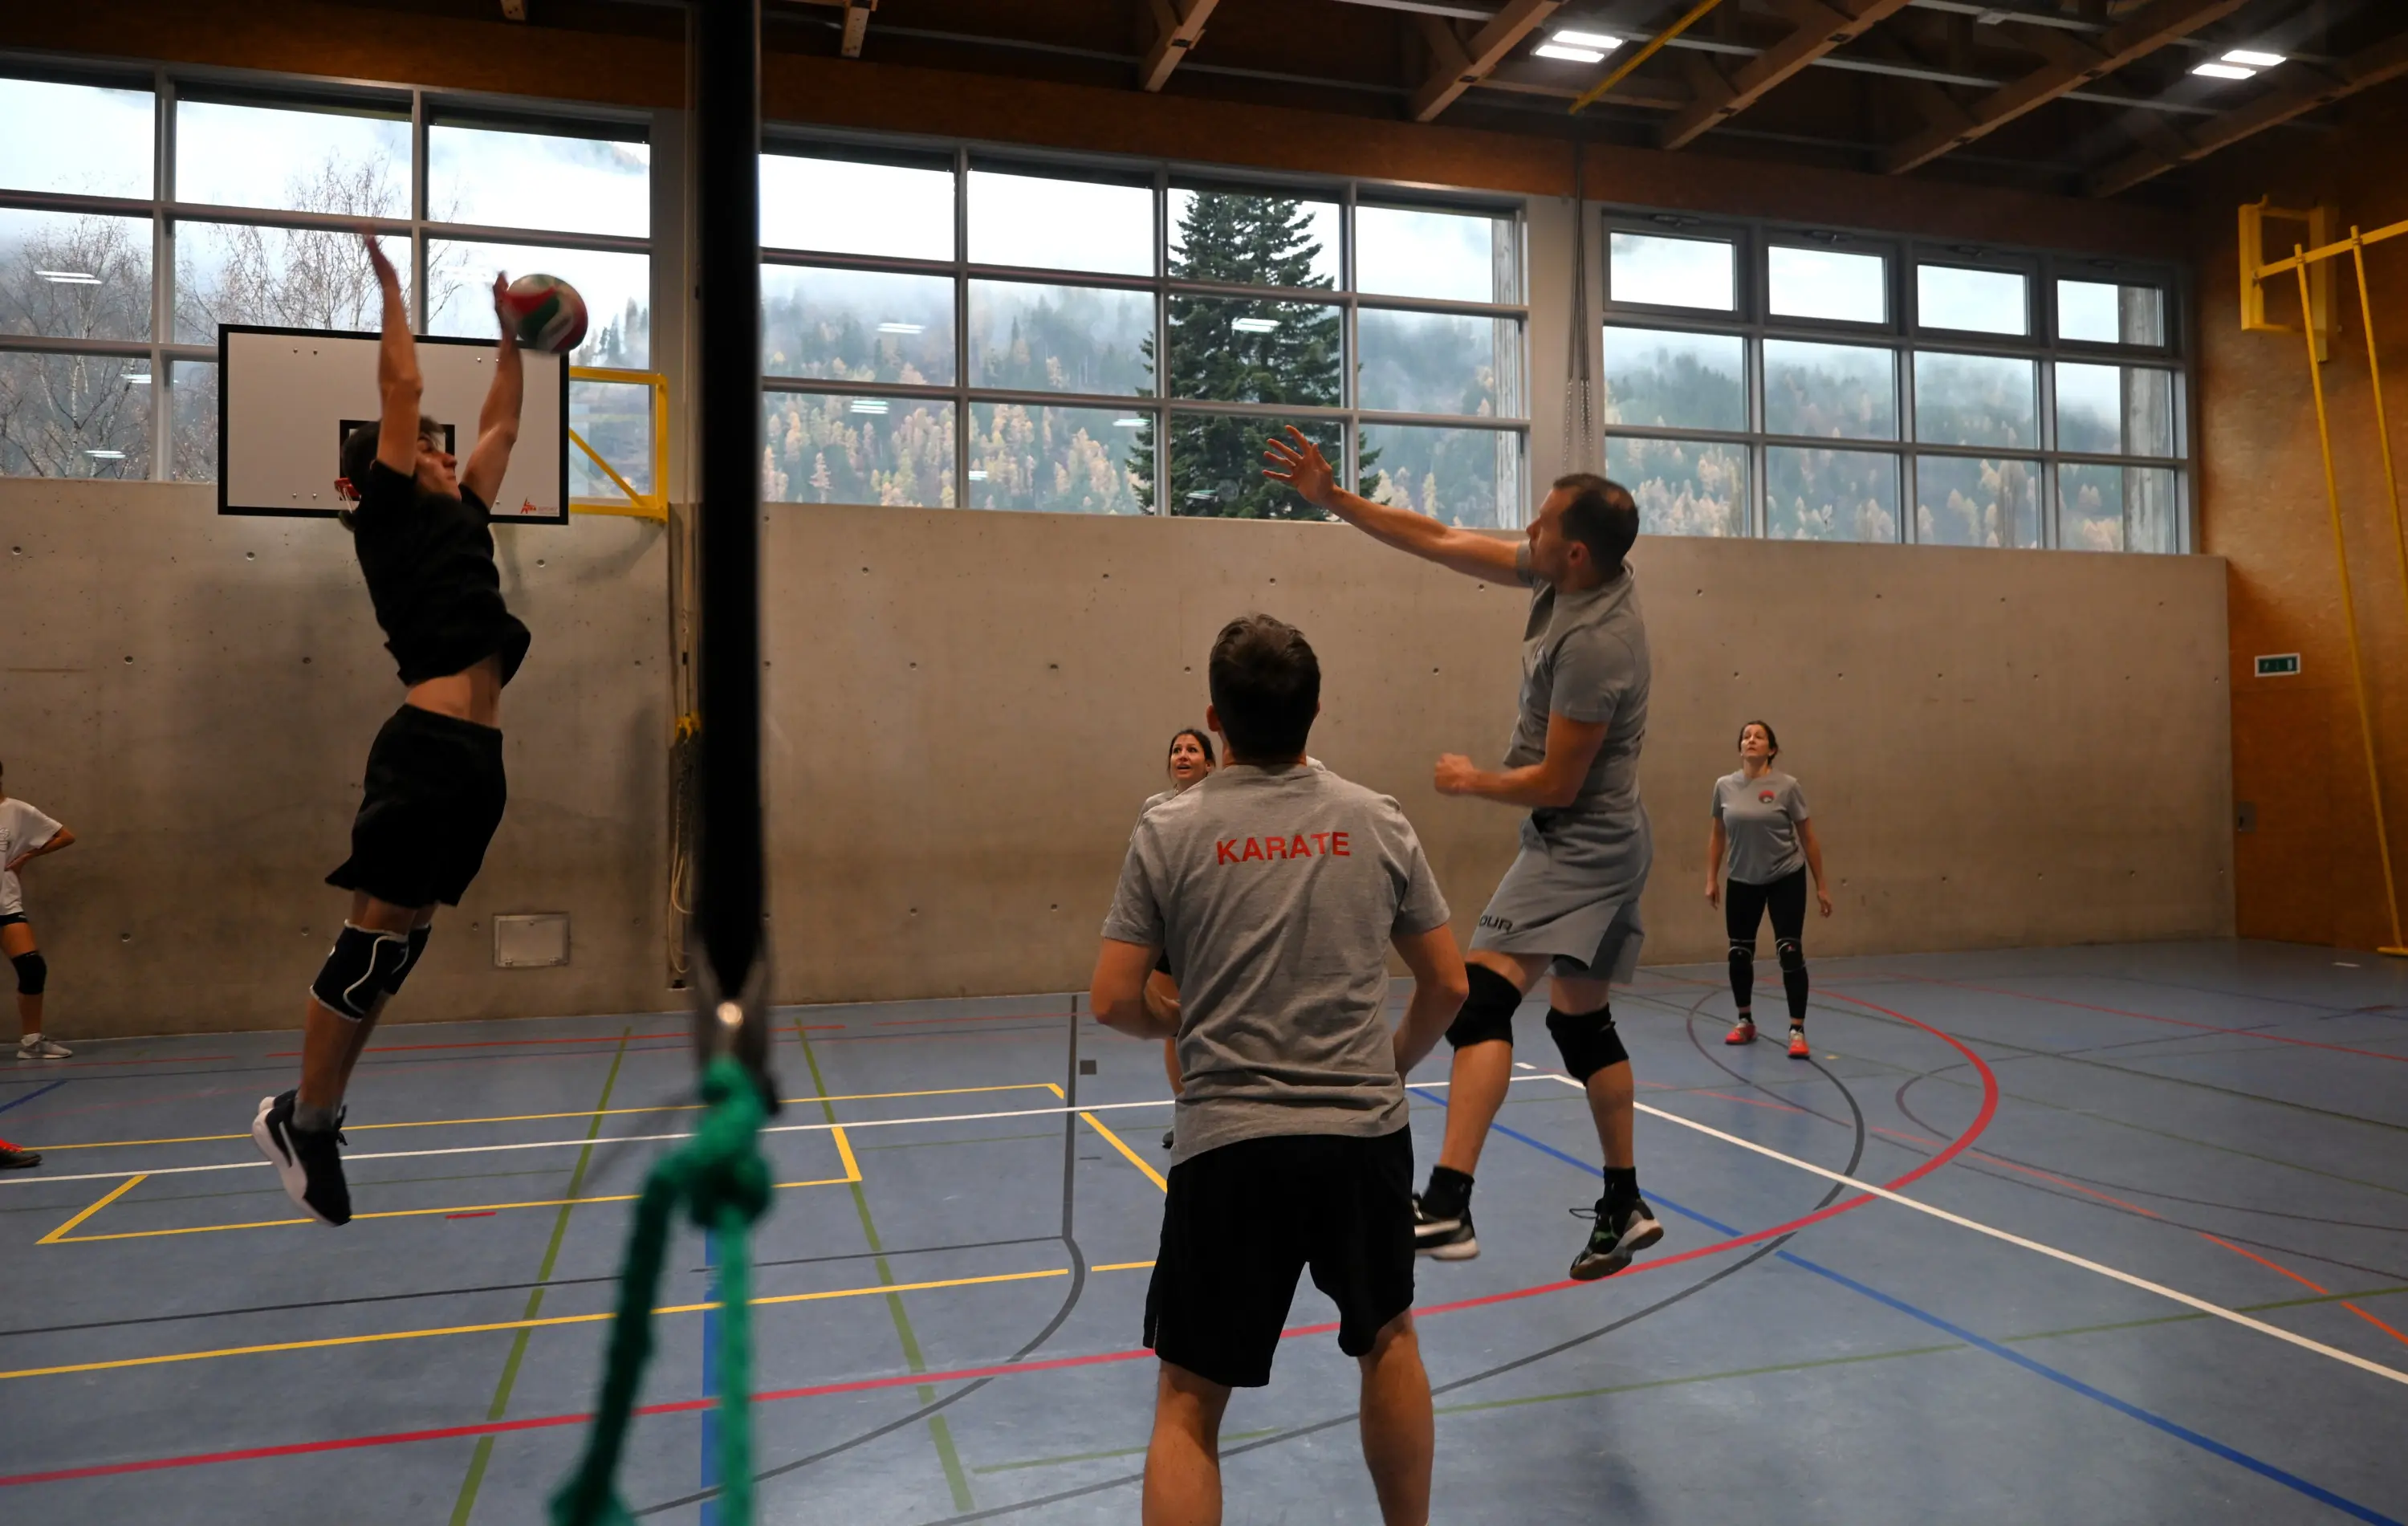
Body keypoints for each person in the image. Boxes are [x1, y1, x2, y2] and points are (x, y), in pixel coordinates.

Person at [1091, 614, 1468, 1526]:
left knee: (1188, 1396)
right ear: (1317, 712)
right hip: (1362, 1142)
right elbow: (1449, 982)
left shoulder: (1171, 826)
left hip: (1227, 1144)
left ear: (1216, 719)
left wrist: (1175, 1014)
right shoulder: (1377, 818)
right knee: (1389, 1339)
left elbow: (1111, 999)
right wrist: (1387, 1063)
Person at [1263, 426, 1660, 1282]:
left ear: (1578, 550)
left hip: (1581, 843)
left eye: (1545, 521)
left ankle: (1445, 1202)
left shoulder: (1597, 644)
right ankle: (1624, 1198)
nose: (1530, 526)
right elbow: (1442, 541)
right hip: (1611, 839)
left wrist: (1476, 780)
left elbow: (1557, 783)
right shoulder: (1573, 579)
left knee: (1479, 1004)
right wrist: (1335, 499)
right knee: (1578, 1019)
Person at [250, 233, 531, 1228]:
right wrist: (393, 291)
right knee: (372, 939)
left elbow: (502, 422)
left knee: (402, 947)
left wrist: (511, 339)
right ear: (393, 470)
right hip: (426, 748)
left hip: (477, 758)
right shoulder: (391, 518)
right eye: (426, 449)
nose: (451, 455)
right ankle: (305, 1120)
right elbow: (402, 386)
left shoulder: (463, 516)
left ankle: (315, 1111)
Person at [1707, 720, 1831, 1058]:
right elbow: (1718, 834)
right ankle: (1745, 1021)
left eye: (1759, 737)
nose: (1751, 740)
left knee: (1790, 952)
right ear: (1740, 747)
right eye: (1746, 736)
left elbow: (1808, 836)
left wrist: (1821, 886)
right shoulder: (1724, 786)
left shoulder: (1787, 787)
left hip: (1785, 877)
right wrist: (1710, 878)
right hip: (1742, 879)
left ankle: (1797, 1030)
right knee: (1738, 954)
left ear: (1771, 749)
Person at [1140, 726, 1217, 1150]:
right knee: (1176, 1026)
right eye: (1176, 750)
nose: (1182, 755)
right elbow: (1143, 872)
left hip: (1213, 933)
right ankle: (1186, 1110)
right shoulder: (1155, 810)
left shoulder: (1226, 808)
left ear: (1210, 763)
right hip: (1171, 936)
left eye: (1192, 749)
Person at [1, 759, 75, 1061]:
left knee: (32, 968)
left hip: (5, 904)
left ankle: (32, 1042)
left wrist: (26, 857)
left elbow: (65, 836)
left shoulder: (18, 811)